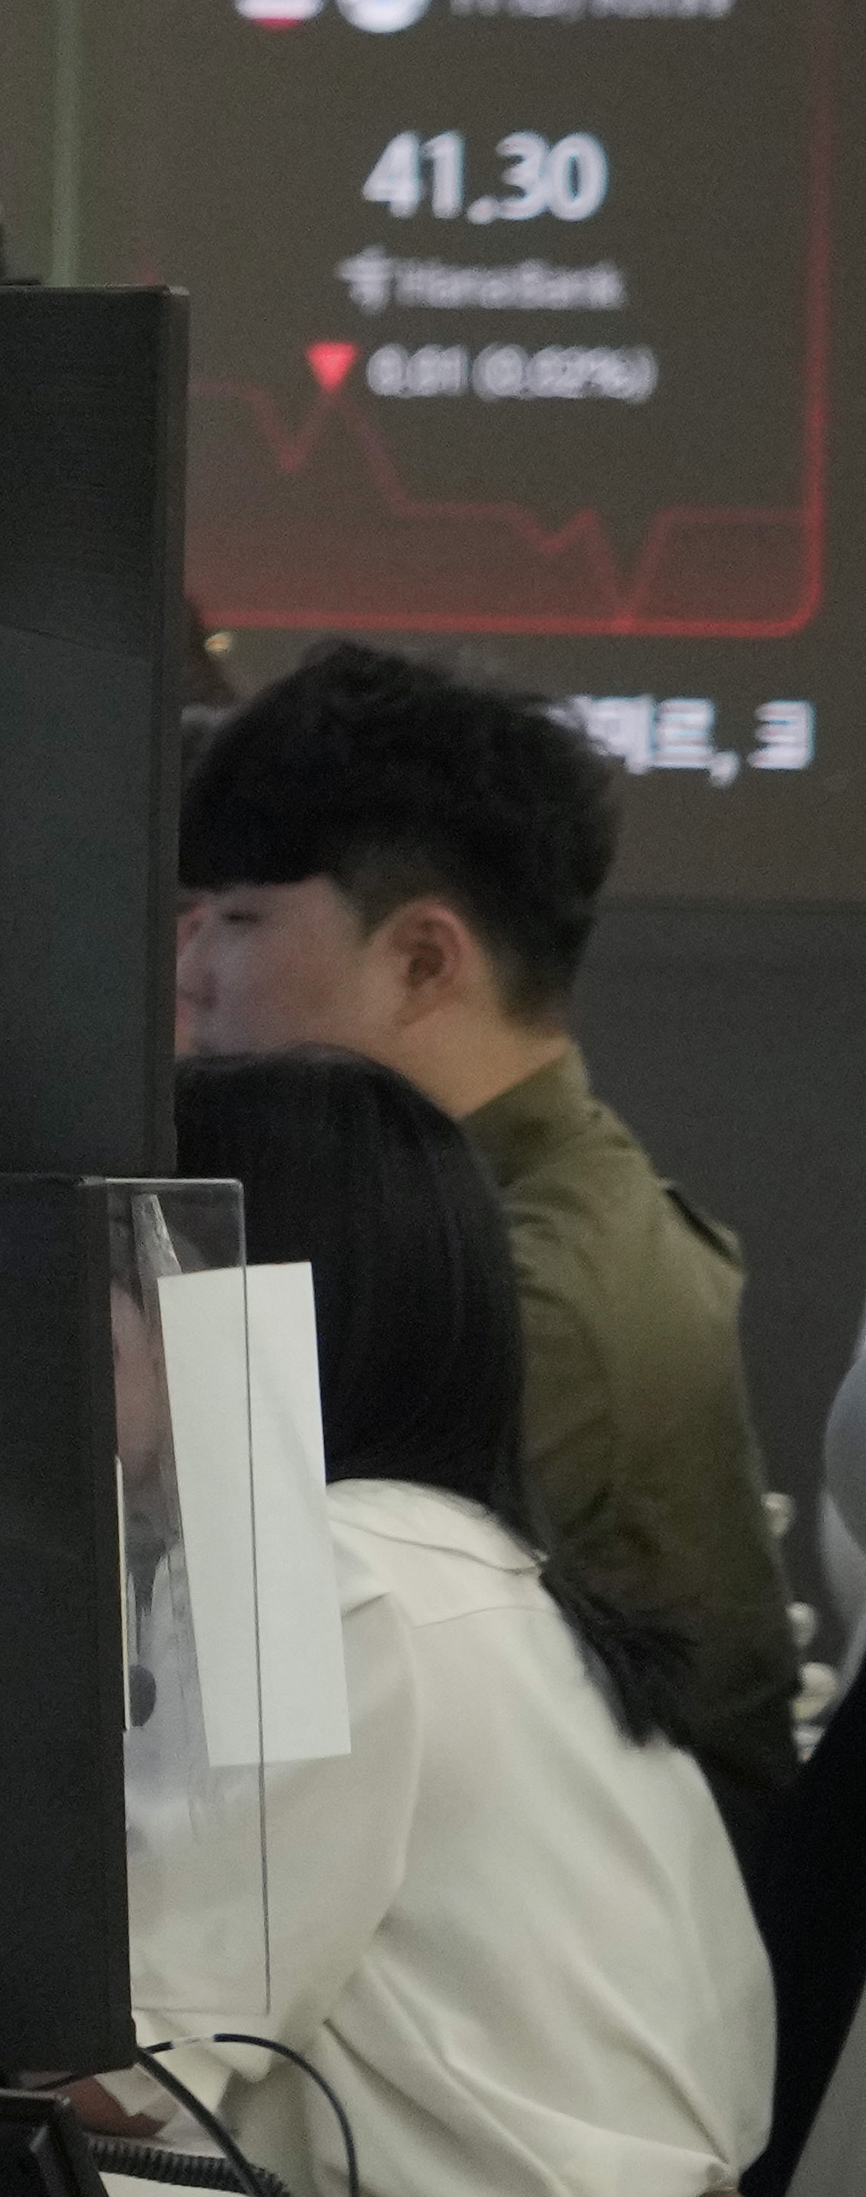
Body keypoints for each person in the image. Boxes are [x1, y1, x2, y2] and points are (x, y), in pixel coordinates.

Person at [126, 1046, 775, 2197]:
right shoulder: (445, 1556)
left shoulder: (315, 1576)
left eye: (115, 1269)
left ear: (234, 1315)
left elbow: (131, 2059)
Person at [174, 638, 798, 1797]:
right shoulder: (494, 1210)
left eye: (242, 920)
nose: (194, 973)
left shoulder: (524, 1295)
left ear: (421, 960)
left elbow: (254, 1686)